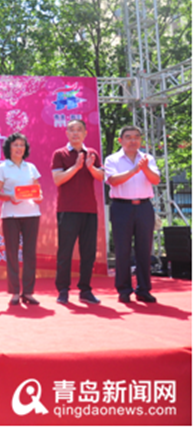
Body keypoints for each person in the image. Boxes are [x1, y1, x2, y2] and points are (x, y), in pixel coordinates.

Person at [104, 126, 161, 304]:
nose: (133, 140)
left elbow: (156, 180)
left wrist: (144, 168)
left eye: (136, 137)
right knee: (123, 249)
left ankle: (143, 289)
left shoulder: (147, 159)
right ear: (120, 140)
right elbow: (113, 181)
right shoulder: (112, 159)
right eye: (128, 137)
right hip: (122, 207)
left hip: (144, 207)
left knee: (144, 249)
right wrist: (134, 170)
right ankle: (124, 289)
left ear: (140, 140)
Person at [51, 119, 104, 305]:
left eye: (79, 130)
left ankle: (85, 289)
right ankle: (63, 289)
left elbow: (101, 176)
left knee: (88, 252)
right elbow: (58, 179)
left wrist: (90, 167)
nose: (75, 133)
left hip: (89, 209)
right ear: (66, 133)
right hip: (67, 209)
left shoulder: (92, 153)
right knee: (65, 251)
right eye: (72, 130)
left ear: (85, 133)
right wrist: (76, 167)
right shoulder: (60, 154)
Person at [0, 132, 42, 306]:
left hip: (32, 213)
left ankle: (28, 292)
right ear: (9, 148)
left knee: (30, 254)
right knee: (12, 254)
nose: (19, 148)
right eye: (15, 145)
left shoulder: (31, 167)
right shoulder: (2, 168)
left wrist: (39, 197)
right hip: (11, 215)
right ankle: (14, 291)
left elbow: (38, 189)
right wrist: (9, 197)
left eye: (22, 145)